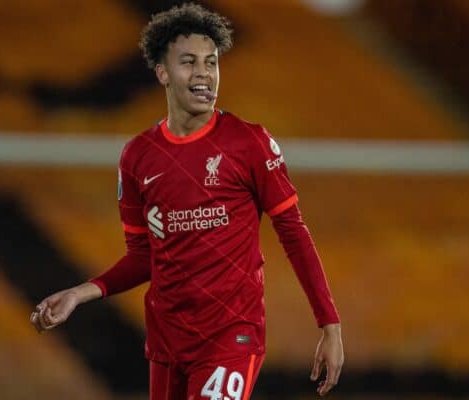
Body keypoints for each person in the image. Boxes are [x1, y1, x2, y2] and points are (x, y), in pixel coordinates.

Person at [30, 3, 344, 398]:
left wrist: (329, 325)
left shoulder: (247, 142)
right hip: (167, 341)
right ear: (162, 72)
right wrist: (80, 293)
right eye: (189, 62)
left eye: (211, 63)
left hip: (231, 334)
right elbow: (144, 256)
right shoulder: (137, 157)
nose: (204, 74)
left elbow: (293, 232)